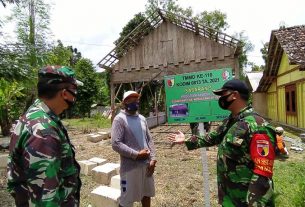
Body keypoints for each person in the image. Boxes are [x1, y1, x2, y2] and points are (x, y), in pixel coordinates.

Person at [169, 79, 276, 207]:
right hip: (230, 197)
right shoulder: (232, 121)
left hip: (246, 201)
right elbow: (213, 137)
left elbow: (262, 172)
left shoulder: (257, 125)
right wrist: (187, 140)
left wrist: (254, 203)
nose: (221, 98)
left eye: (223, 94)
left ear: (234, 95)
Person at [7, 65, 83, 206]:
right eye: (75, 90)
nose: (76, 94)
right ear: (65, 93)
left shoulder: (36, 113)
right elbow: (44, 198)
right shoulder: (43, 133)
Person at [111, 90, 157, 207]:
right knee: (126, 199)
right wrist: (136, 154)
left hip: (146, 165)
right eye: (131, 99)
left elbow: (149, 139)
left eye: (136, 99)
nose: (134, 102)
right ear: (124, 102)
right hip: (130, 168)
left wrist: (153, 159)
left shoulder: (142, 118)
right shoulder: (119, 119)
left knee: (146, 194)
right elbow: (116, 143)